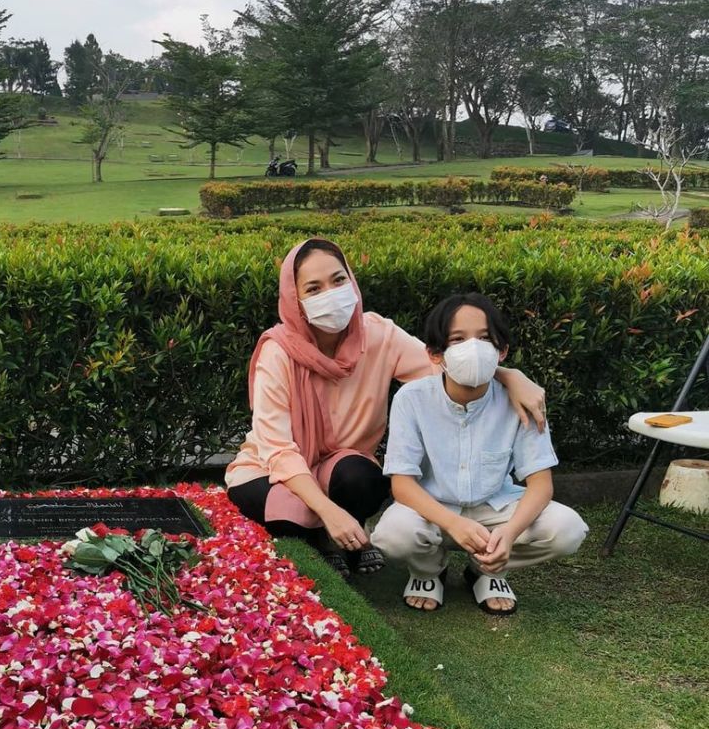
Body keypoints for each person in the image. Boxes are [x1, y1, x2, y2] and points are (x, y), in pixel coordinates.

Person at [225, 238, 548, 577]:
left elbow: (446, 367)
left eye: (338, 280)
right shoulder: (278, 352)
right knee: (284, 512)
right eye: (314, 288)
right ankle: (324, 536)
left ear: (352, 280)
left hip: (341, 467)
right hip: (272, 468)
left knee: (360, 478)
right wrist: (328, 511)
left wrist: (507, 374)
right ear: (296, 301)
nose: (331, 294)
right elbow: (277, 449)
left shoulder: (378, 335)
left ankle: (341, 534)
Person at [370, 292, 588, 614]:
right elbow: (401, 485)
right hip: (435, 507)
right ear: (435, 354)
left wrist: (509, 533)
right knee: (392, 535)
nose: (472, 348)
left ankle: (487, 570)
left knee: (568, 529)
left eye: (484, 338)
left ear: (501, 351)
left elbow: (541, 485)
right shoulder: (412, 399)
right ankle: (429, 570)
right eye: (457, 339)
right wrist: (452, 523)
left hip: (496, 506)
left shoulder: (521, 400)